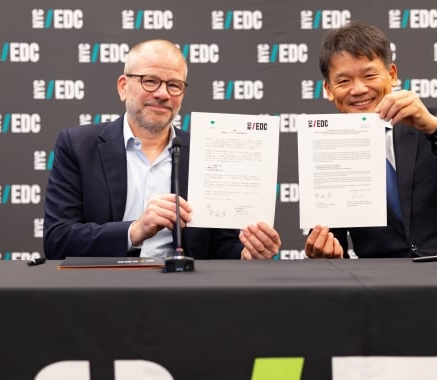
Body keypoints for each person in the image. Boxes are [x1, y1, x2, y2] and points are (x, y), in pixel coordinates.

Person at [43, 39, 281, 260]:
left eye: (174, 85)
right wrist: (135, 230)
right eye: (150, 81)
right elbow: (58, 240)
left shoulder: (206, 152)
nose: (163, 94)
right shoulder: (78, 145)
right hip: (104, 289)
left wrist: (246, 253)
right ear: (123, 87)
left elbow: (220, 246)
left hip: (185, 292)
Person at [305, 21, 437, 259]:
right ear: (328, 89)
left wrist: (436, 128)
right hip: (385, 286)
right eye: (344, 81)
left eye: (369, 75)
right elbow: (334, 247)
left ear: (392, 75)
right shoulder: (327, 151)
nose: (358, 89)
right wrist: (328, 256)